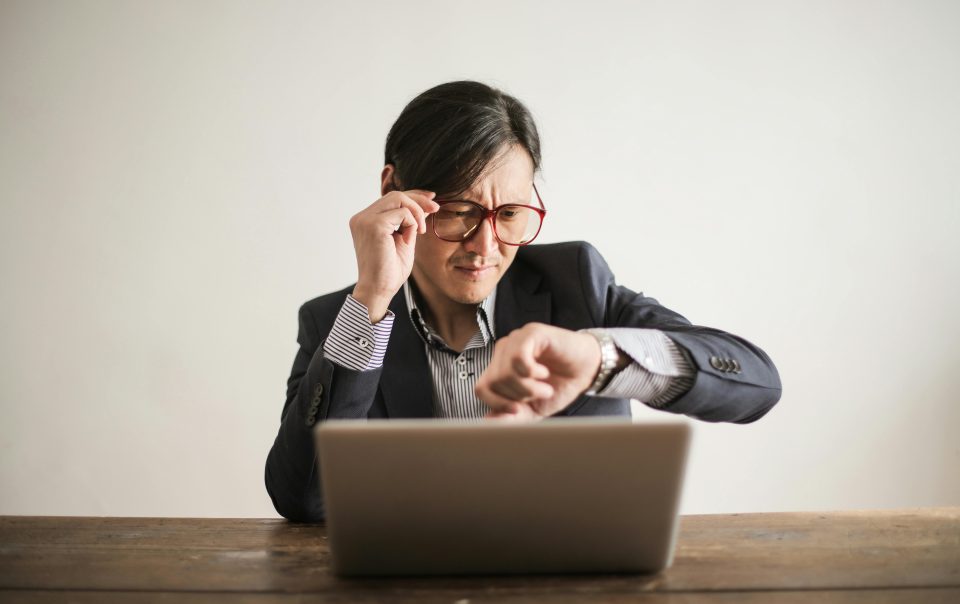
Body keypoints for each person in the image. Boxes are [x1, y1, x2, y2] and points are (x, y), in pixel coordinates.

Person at [265, 81, 782, 522]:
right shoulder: (339, 321)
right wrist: (372, 302)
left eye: (510, 214)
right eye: (460, 211)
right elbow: (302, 499)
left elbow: (756, 383)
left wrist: (600, 361)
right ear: (393, 192)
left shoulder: (576, 283)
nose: (485, 247)